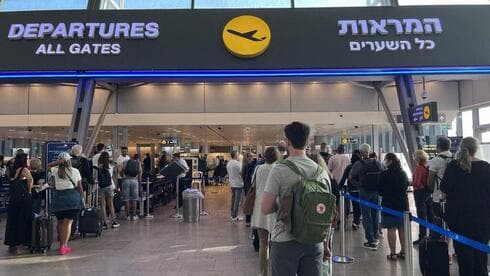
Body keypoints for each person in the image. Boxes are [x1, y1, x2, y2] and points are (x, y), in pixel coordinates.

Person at [262, 122, 329, 276]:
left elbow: (265, 208)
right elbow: (325, 210)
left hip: (285, 239)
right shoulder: (321, 171)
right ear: (307, 142)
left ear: (287, 142)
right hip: (314, 240)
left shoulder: (279, 169)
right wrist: (325, 244)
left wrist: (282, 205)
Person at [441, 137, 490, 276]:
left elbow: (444, 189)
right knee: (481, 259)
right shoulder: (486, 167)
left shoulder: (453, 166)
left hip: (459, 219)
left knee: (464, 259)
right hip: (483, 219)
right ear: (476, 149)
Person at [349, 143, 383, 250]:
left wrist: (358, 185)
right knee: (375, 214)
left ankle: (370, 239)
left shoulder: (359, 164)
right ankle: (376, 236)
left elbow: (350, 177)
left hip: (364, 191)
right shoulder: (376, 162)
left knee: (366, 215)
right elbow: (384, 173)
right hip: (376, 191)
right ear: (369, 151)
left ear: (360, 152)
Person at [251, 146, 279, 276]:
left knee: (263, 243)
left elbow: (253, 186)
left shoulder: (259, 169)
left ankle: (263, 273)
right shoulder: (278, 169)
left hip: (260, 208)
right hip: (274, 208)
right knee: (277, 244)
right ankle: (275, 271)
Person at [50, 152, 84, 255]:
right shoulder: (75, 171)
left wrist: (57, 161)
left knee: (60, 222)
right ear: (69, 160)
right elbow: (79, 186)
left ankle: (61, 245)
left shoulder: (54, 170)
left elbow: (47, 166)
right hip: (71, 199)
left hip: (58, 199)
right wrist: (82, 197)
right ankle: (64, 246)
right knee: (67, 223)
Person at [378, 153, 409, 260]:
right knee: (402, 227)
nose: (384, 161)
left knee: (391, 228)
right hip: (402, 204)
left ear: (390, 161)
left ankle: (393, 253)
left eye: (385, 159)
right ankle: (404, 251)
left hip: (389, 204)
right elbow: (405, 187)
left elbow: (380, 191)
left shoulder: (384, 174)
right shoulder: (403, 173)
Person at [4, 153, 33, 254]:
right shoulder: (24, 170)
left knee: (13, 220)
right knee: (24, 219)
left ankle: (12, 242)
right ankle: (24, 240)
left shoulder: (12, 170)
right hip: (23, 199)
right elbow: (30, 180)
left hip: (14, 199)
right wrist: (29, 191)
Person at [411, 150, 433, 245]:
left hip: (420, 193)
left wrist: (408, 183)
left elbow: (416, 183)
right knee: (430, 214)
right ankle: (432, 235)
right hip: (427, 192)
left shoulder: (419, 168)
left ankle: (422, 237)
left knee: (421, 216)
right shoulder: (426, 167)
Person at [339, 150, 362, 230]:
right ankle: (356, 221)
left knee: (355, 205)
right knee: (359, 206)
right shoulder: (361, 166)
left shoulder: (349, 167)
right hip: (361, 189)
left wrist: (339, 187)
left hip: (352, 189)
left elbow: (343, 178)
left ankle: (356, 221)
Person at [97, 152, 120, 229]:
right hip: (109, 186)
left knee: (102, 205)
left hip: (101, 187)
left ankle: (104, 223)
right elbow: (112, 177)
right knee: (111, 205)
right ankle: (114, 221)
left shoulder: (98, 167)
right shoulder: (110, 167)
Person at [122, 154, 142, 221]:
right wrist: (140, 184)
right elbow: (140, 175)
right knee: (134, 199)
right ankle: (134, 215)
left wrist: (123, 177)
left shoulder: (125, 162)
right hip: (134, 181)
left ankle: (127, 215)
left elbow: (121, 171)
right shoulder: (138, 163)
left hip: (126, 180)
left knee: (126, 199)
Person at [227, 150, 243, 222]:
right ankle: (235, 216)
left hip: (232, 183)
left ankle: (232, 214)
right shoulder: (237, 163)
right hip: (238, 184)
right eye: (238, 154)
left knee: (233, 200)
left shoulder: (229, 163)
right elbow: (241, 172)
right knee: (237, 201)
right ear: (235, 155)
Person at [243, 152, 257, 227]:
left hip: (247, 185)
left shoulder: (246, 166)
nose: (252, 157)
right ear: (248, 157)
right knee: (250, 202)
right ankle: (249, 220)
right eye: (251, 156)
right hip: (249, 185)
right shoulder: (250, 165)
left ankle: (248, 220)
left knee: (249, 201)